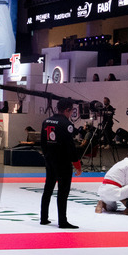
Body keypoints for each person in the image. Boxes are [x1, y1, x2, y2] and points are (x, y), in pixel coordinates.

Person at [40, 98, 83, 229]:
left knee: (48, 188)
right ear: (67, 110)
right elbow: (70, 147)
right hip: (63, 161)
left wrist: (46, 156)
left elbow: (42, 142)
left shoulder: (46, 121)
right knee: (63, 191)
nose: (71, 114)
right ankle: (62, 221)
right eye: (71, 111)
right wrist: (77, 164)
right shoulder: (66, 124)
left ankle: (43, 217)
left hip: (50, 159)